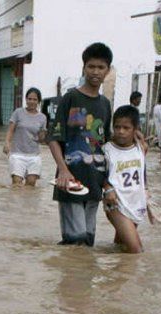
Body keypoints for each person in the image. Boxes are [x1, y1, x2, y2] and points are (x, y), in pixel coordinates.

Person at [48, 42, 114, 247]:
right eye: (91, 67)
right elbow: (53, 138)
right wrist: (63, 171)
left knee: (88, 242)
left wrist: (107, 182)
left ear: (108, 71)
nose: (95, 72)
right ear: (83, 68)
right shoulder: (71, 98)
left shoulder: (105, 104)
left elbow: (106, 143)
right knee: (75, 241)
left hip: (95, 181)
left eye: (101, 67)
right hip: (71, 181)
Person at [102, 105, 147, 254]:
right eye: (117, 127)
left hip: (135, 202)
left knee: (122, 247)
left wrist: (147, 190)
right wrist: (107, 187)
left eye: (126, 128)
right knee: (136, 250)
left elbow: (142, 171)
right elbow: (98, 173)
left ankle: (118, 275)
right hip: (116, 203)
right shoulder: (107, 150)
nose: (121, 131)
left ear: (135, 129)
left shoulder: (141, 148)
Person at [3, 87, 47, 186]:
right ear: (26, 99)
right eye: (29, 99)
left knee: (31, 185)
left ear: (39, 101)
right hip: (17, 154)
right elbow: (10, 130)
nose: (31, 101)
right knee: (17, 184)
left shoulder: (43, 117)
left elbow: (41, 139)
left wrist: (44, 134)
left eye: (35, 99)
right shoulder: (18, 112)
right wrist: (7, 143)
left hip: (34, 155)